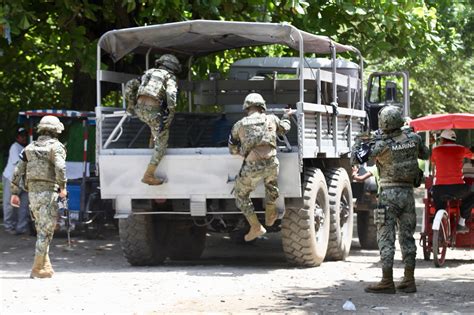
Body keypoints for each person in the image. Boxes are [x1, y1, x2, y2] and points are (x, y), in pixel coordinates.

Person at [352, 105, 429, 294]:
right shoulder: (413, 138)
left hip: (387, 194)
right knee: (407, 237)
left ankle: (387, 281)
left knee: (385, 236)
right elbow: (426, 154)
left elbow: (356, 158)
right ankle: (409, 280)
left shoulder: (380, 144)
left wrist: (360, 140)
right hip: (407, 195)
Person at [228, 93, 293, 242]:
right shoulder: (271, 119)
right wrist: (286, 116)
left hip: (252, 167)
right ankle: (270, 213)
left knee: (241, 194)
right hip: (271, 163)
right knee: (271, 185)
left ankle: (256, 226)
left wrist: (244, 153)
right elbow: (284, 128)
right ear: (262, 106)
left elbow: (232, 148)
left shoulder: (240, 124)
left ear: (246, 107)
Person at [10, 115, 67, 278]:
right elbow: (61, 168)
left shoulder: (28, 148)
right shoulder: (56, 147)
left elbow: (17, 171)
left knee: (42, 228)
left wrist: (14, 193)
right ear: (56, 130)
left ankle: (45, 266)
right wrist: (62, 187)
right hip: (49, 193)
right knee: (45, 231)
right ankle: (37, 268)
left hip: (32, 194)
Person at [134, 54, 180, 185]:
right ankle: (148, 175)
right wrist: (171, 113)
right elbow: (171, 94)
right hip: (153, 112)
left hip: (140, 110)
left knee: (154, 128)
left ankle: (150, 146)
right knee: (162, 144)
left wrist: (131, 106)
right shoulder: (169, 76)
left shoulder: (148, 73)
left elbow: (130, 85)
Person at [431, 129, 474, 233]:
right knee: (472, 195)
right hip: (458, 189)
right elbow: (473, 156)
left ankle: (439, 221)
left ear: (443, 139)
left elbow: (433, 163)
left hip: (439, 189)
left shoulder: (436, 150)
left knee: (439, 204)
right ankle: (462, 222)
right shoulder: (461, 149)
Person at [2, 127, 30, 235]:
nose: (24, 137)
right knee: (10, 204)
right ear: (17, 137)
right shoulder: (15, 147)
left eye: (25, 135)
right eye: (21, 135)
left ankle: (21, 227)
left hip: (23, 181)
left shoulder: (27, 148)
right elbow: (19, 163)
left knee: (23, 205)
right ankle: (9, 226)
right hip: (11, 179)